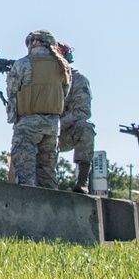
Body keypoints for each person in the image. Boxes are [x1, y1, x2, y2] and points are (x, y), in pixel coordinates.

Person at [6, 30, 71, 189]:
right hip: (52, 125)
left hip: (28, 124)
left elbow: (12, 91)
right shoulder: (63, 67)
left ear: (33, 42)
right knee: (48, 174)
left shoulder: (23, 63)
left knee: (26, 175)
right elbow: (65, 92)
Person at [56, 42, 96, 193]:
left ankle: (82, 180)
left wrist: (58, 125)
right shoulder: (40, 79)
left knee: (86, 127)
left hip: (64, 132)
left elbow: (83, 112)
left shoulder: (78, 80)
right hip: (42, 130)